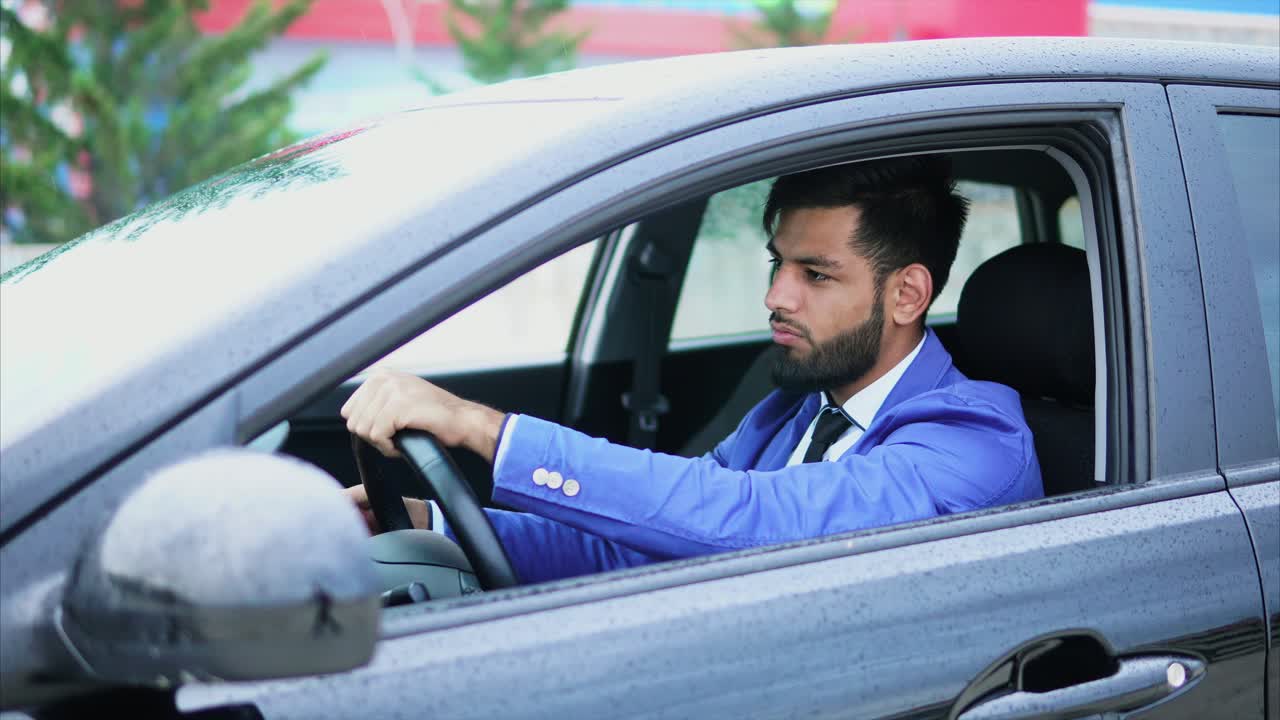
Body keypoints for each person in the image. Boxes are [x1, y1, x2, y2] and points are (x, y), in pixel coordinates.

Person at [342, 156, 1043, 584]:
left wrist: (481, 428)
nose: (776, 296)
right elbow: (645, 544)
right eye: (777, 263)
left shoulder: (973, 443)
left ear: (907, 294)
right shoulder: (795, 409)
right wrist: (427, 523)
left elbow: (748, 519)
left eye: (815, 274)